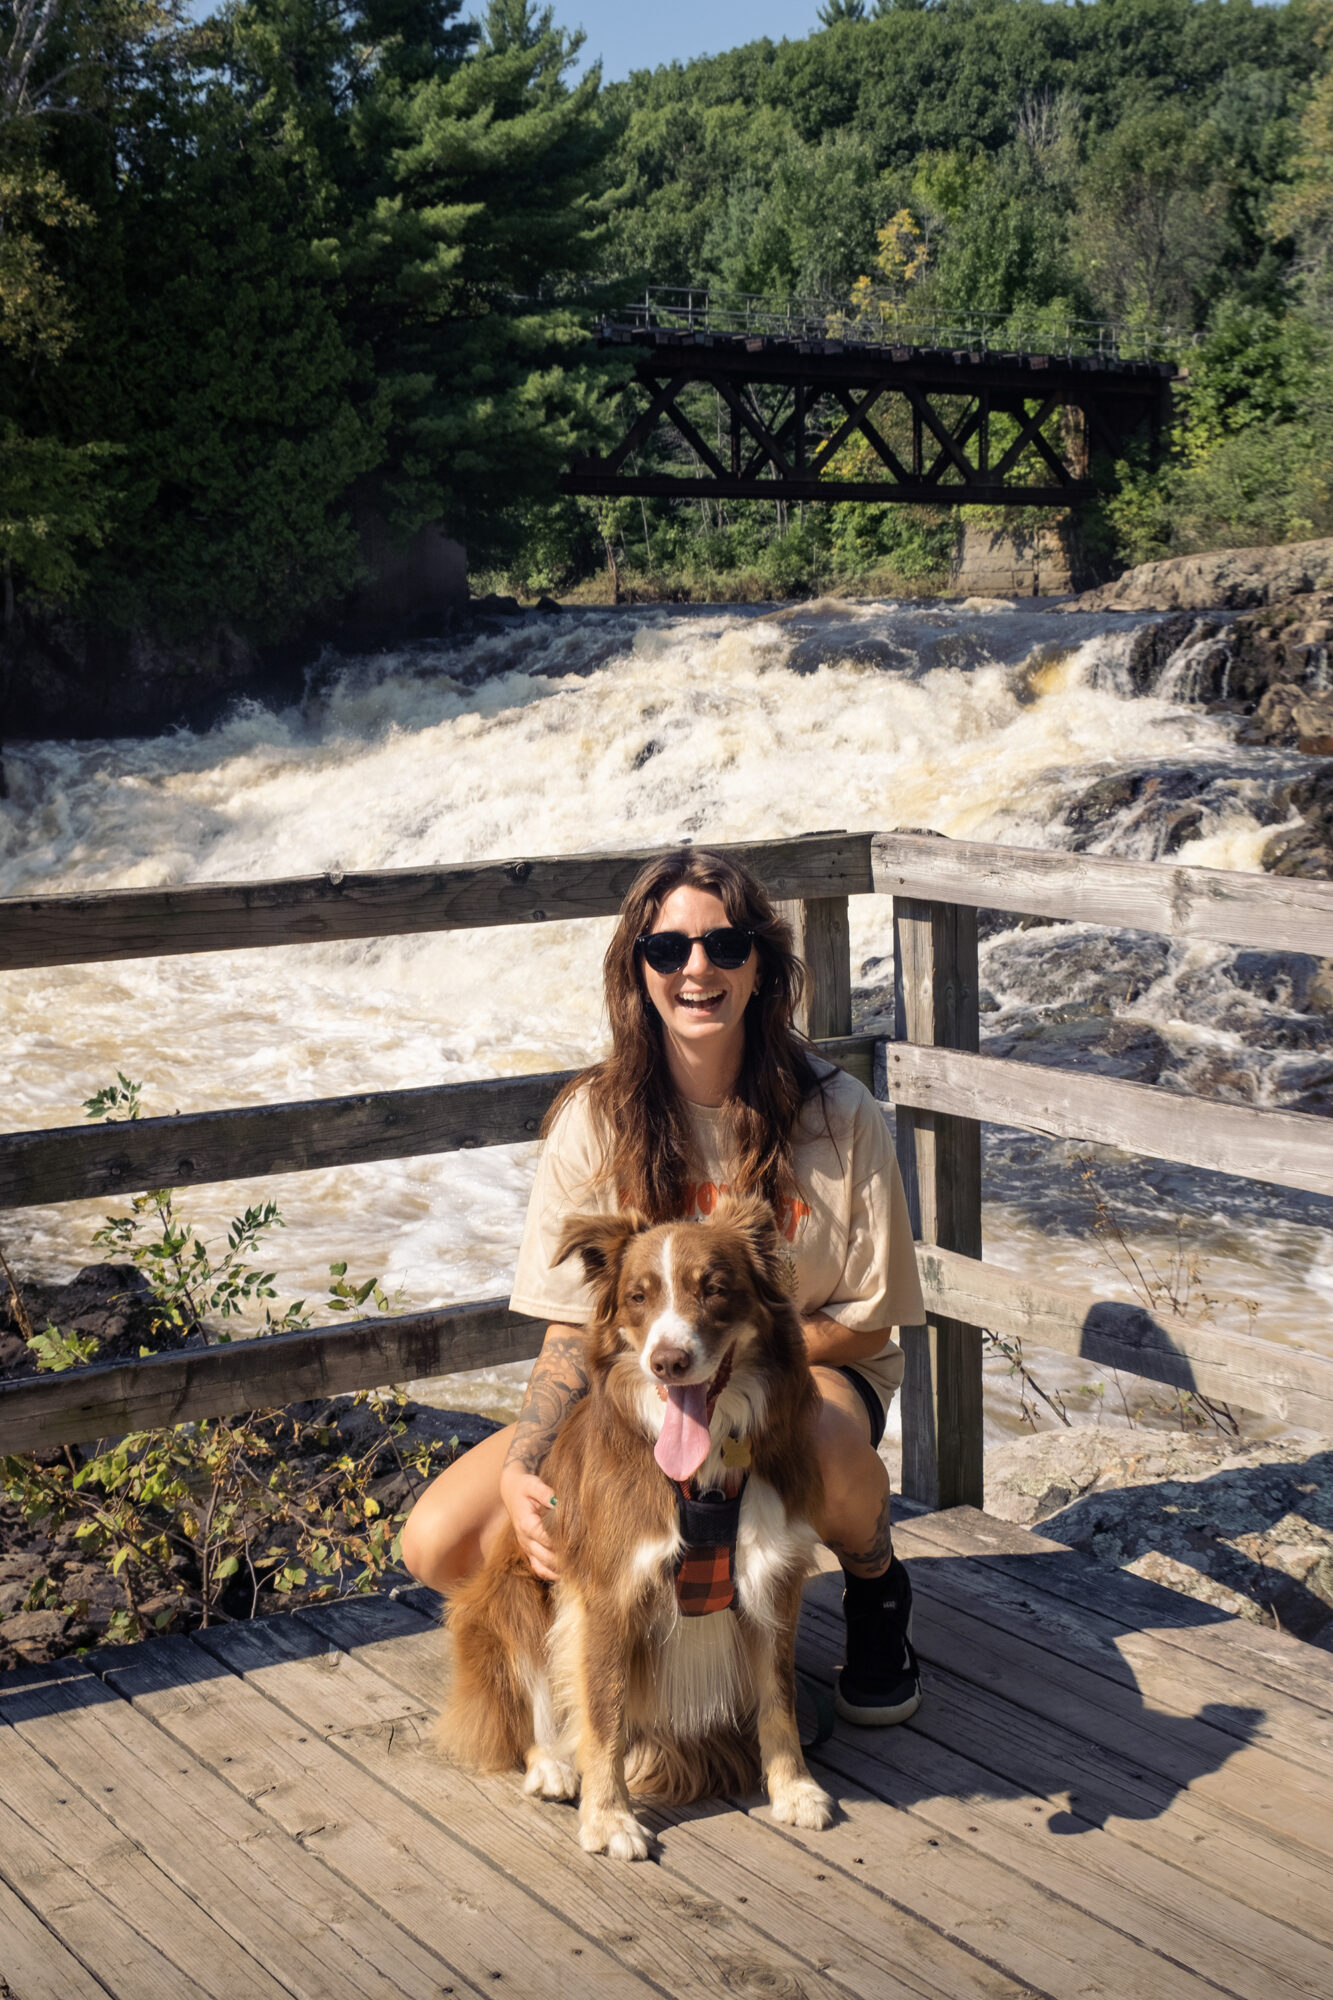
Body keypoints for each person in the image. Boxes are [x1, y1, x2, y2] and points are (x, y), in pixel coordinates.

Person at [400, 845, 926, 1725]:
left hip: (795, 1374)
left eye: (723, 947)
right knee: (439, 1540)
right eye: (666, 950)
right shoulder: (594, 1120)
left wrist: (728, 1361)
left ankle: (874, 1588)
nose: (696, 969)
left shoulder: (839, 1118)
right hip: (638, 1391)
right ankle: (655, 1647)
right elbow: (572, 1331)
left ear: (760, 965)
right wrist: (525, 1468)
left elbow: (870, 1327)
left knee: (827, 1438)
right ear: (635, 971)